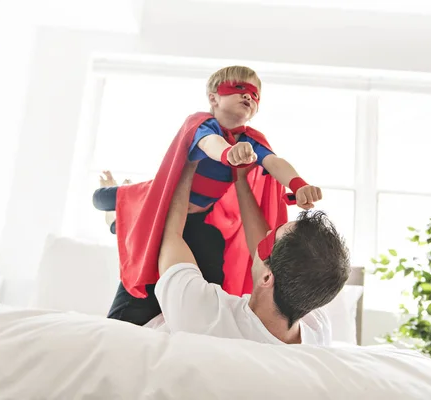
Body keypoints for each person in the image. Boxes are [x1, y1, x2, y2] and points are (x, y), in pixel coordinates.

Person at [93, 65, 323, 326]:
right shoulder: (203, 126)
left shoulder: (251, 141)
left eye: (255, 95)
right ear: (214, 97)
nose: (249, 96)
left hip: (196, 215)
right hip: (156, 200)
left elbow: (274, 162)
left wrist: (298, 184)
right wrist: (228, 155)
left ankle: (116, 221)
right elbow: (210, 145)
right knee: (101, 198)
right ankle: (114, 208)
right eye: (239, 89)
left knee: (135, 227)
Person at [147, 161, 350, 345]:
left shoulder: (206, 315)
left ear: (267, 277)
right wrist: (241, 181)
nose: (268, 231)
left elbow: (171, 235)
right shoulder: (317, 330)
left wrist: (187, 164)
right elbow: (269, 260)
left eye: (270, 238)